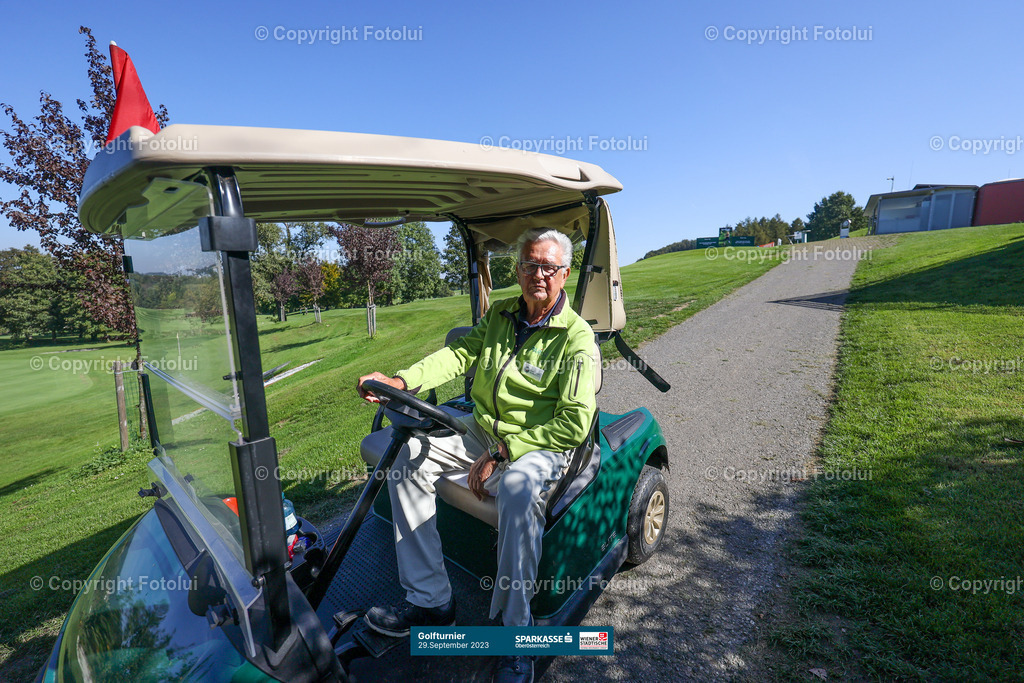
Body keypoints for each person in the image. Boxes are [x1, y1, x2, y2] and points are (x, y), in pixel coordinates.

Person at [357, 227, 597, 683]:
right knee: (407, 457)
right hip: (482, 430)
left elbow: (574, 423)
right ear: (518, 270)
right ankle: (432, 601)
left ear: (565, 273)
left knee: (518, 489)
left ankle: (517, 632)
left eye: (548, 267)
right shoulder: (502, 314)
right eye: (529, 265)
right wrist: (401, 381)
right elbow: (458, 355)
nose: (538, 275)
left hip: (540, 443)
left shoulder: (576, 338)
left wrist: (504, 452)